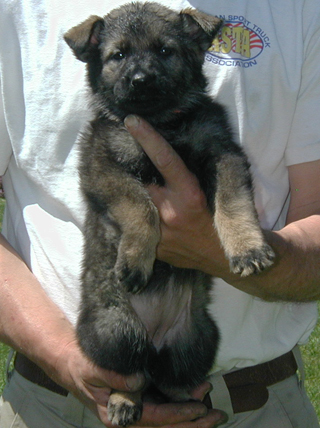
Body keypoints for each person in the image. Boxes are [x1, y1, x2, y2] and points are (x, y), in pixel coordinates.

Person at [0, 0, 319, 427]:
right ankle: (124, 387)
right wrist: (64, 357)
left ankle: (172, 389)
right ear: (93, 52)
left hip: (245, 399)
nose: (141, 71)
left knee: (192, 338)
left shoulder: (300, 11)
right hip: (59, 398)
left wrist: (231, 240)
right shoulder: (15, 10)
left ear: (192, 47)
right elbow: (106, 179)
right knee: (114, 333)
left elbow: (230, 169)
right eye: (119, 55)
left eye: (164, 52)